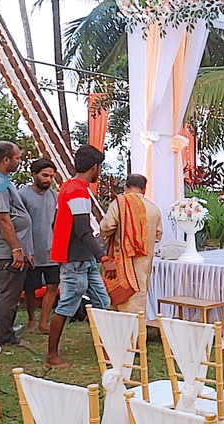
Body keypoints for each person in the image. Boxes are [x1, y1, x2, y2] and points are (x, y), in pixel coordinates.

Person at [48, 145, 116, 368]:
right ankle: (52, 357)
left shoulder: (69, 186)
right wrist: (103, 258)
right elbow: (83, 231)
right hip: (75, 259)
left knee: (103, 302)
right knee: (67, 305)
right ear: (95, 167)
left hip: (81, 257)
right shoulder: (77, 191)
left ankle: (107, 349)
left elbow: (58, 223)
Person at [0, 141, 34, 347]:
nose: (19, 161)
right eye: (17, 158)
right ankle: (5, 337)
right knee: (9, 293)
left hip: (14, 247)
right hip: (7, 249)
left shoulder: (2, 180)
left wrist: (25, 248)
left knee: (11, 292)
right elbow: (3, 219)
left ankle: (6, 331)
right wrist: (16, 248)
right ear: (6, 160)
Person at [100, 173, 163, 314]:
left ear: (126, 187)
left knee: (120, 301)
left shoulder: (119, 203)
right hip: (143, 266)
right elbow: (158, 236)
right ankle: (137, 334)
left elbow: (105, 227)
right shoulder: (154, 209)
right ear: (144, 189)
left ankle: (121, 334)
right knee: (138, 300)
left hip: (121, 262)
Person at [18, 158, 59, 334]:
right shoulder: (22, 195)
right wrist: (24, 249)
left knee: (52, 285)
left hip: (50, 250)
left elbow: (56, 222)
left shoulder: (54, 196)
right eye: (44, 175)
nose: (48, 179)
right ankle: (31, 320)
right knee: (30, 287)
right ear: (34, 175)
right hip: (30, 249)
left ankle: (44, 322)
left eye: (51, 176)